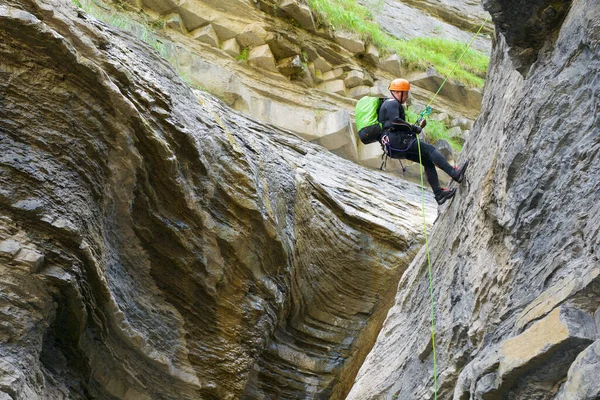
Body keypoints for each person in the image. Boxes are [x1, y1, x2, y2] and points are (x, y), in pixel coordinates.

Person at [378, 78, 469, 205]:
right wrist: (412, 127)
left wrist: (417, 128)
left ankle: (439, 194)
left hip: (392, 146)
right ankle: (455, 173)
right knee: (429, 150)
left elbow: (394, 125)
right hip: (396, 141)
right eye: (406, 93)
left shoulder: (387, 104)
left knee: (427, 161)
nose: (407, 96)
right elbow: (395, 121)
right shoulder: (392, 103)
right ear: (399, 92)